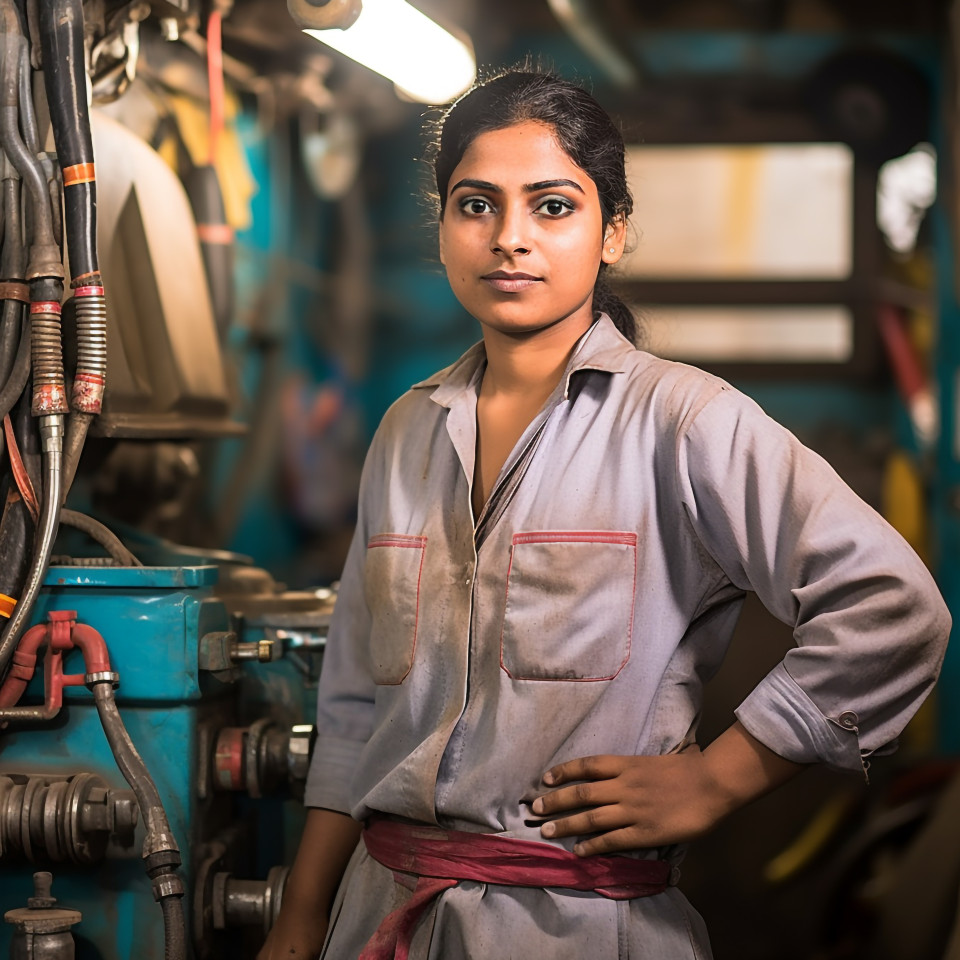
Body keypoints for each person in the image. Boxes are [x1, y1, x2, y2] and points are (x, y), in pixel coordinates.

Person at [259, 69, 951, 960]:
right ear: (441, 230)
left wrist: (715, 780)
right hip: (379, 914)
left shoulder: (684, 421)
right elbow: (356, 700)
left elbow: (893, 611)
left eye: (553, 207)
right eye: (476, 205)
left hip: (579, 928)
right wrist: (302, 915)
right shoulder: (406, 430)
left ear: (612, 231)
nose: (510, 239)